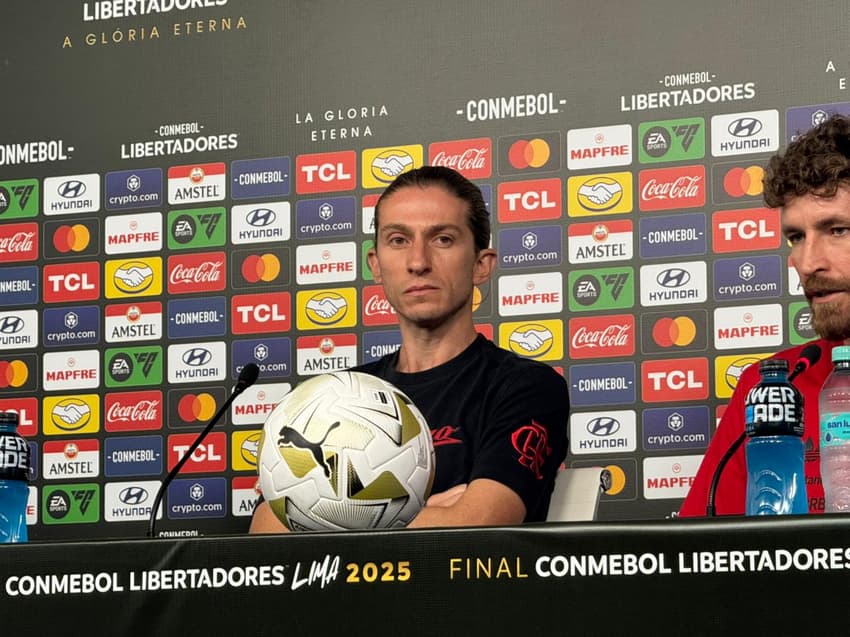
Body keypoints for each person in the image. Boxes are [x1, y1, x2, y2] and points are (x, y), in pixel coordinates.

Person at [250, 166, 569, 532]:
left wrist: (330, 519)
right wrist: (427, 514)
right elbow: (266, 531)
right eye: (398, 240)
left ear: (481, 265)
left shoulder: (525, 388)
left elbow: (478, 524)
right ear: (377, 265)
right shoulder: (334, 394)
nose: (419, 262)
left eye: (443, 239)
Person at [680, 113, 850, 516]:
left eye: (837, 230)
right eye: (796, 237)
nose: (807, 263)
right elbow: (704, 559)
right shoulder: (771, 388)